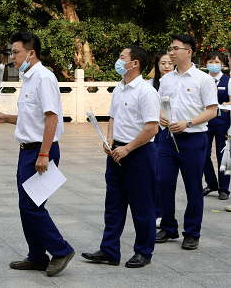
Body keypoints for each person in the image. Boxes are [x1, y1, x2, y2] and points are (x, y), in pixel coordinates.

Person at [0, 31, 74, 276]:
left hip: (40, 151)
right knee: (27, 205)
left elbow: (51, 117)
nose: (13, 57)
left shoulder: (44, 78)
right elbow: (32, 117)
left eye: (16, 52)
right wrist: (7, 118)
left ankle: (61, 250)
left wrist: (44, 153)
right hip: (27, 151)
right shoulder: (28, 78)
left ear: (31, 53)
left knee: (31, 207)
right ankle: (37, 256)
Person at [81, 45, 160, 268]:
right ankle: (109, 250)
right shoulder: (119, 88)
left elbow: (152, 128)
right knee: (113, 204)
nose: (118, 61)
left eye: (121, 58)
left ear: (134, 63)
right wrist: (109, 140)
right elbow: (113, 117)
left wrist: (128, 148)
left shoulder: (146, 92)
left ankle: (144, 252)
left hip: (140, 153)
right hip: (117, 153)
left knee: (142, 206)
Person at [156, 34, 218, 250]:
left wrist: (188, 123)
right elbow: (160, 104)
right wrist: (161, 117)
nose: (171, 52)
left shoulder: (204, 79)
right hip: (167, 139)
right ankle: (168, 226)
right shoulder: (166, 79)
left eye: (175, 49)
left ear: (189, 51)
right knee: (163, 182)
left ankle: (192, 232)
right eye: (170, 48)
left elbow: (212, 111)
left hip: (194, 139)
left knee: (193, 187)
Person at [202, 51, 230, 201]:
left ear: (223, 65)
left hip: (222, 122)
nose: (214, 65)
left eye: (217, 62)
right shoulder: (202, 80)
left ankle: (224, 189)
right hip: (205, 122)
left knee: (222, 155)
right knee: (203, 154)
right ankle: (212, 184)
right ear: (205, 64)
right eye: (211, 62)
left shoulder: (228, 80)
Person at [152, 49, 173, 223]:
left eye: (169, 63)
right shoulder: (150, 84)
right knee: (156, 176)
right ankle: (158, 212)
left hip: (174, 132)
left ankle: (166, 215)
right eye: (162, 63)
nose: (166, 66)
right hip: (154, 133)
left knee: (165, 178)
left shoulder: (177, 83)